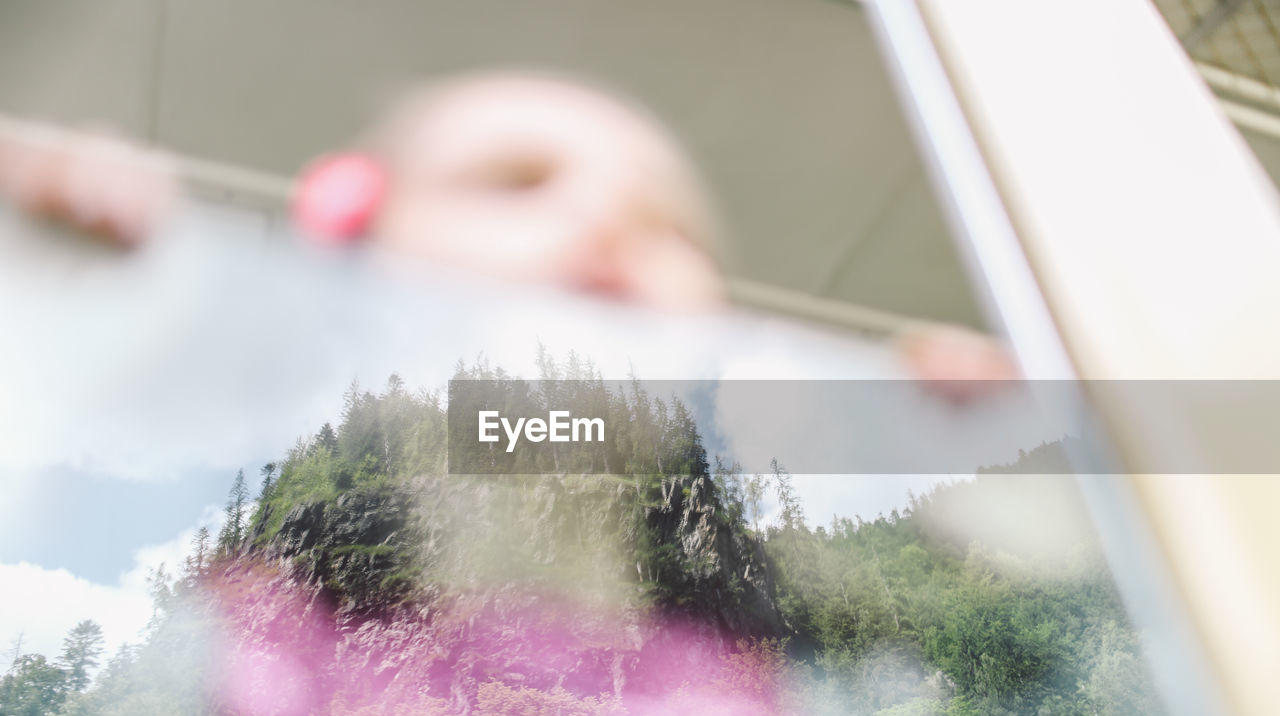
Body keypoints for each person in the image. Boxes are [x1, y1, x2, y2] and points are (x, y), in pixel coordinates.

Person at [0, 70, 1015, 379]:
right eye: (514, 181)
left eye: (670, 228)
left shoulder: (787, 632)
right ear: (345, 234)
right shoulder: (251, 596)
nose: (610, 217)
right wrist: (61, 302)